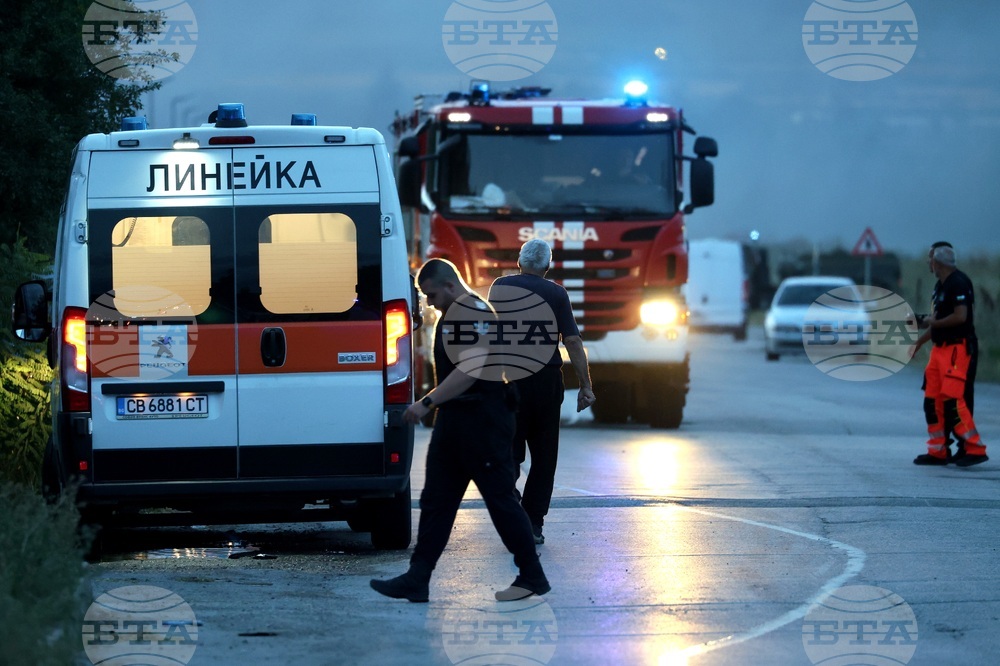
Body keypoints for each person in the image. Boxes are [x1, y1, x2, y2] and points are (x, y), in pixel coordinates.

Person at [370, 258, 550, 603]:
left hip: (482, 420)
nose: (430, 302)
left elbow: (471, 369)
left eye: (432, 294)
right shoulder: (457, 313)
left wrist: (426, 403)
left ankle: (532, 574)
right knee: (437, 502)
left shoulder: (473, 312)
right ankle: (418, 578)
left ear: (450, 286)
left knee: (500, 500)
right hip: (456, 422)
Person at [488, 239, 596, 544]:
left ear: (519, 262)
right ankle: (533, 523)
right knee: (544, 456)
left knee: (507, 453)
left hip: (508, 379)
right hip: (545, 382)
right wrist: (585, 385)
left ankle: (512, 514)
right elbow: (572, 342)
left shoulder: (499, 287)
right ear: (547, 267)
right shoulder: (557, 293)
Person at [911, 244, 988, 467]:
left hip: (956, 349)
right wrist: (919, 340)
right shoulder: (940, 285)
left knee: (953, 402)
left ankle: (974, 447)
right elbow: (936, 320)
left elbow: (961, 316)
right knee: (932, 401)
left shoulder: (958, 283)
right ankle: (938, 450)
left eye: (930, 259)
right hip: (939, 350)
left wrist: (932, 321)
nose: (928, 263)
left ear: (938, 262)